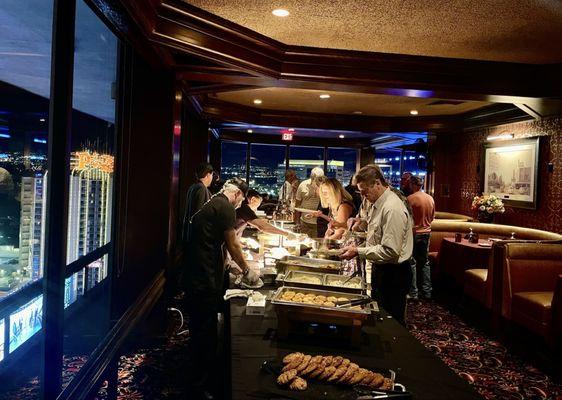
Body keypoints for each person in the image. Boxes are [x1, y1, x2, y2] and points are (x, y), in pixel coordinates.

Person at [182, 178, 259, 399]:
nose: (239, 204)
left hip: (196, 273)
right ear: (237, 195)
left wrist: (229, 266)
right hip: (202, 277)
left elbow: (218, 240)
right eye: (241, 199)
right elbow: (232, 242)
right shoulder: (225, 206)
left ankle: (198, 378)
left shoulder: (215, 201)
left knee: (200, 329)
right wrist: (246, 271)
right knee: (204, 332)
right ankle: (200, 386)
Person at [340, 164, 413, 326]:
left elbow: (390, 251)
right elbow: (374, 232)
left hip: (393, 273)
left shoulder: (392, 208)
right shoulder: (378, 204)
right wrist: (360, 223)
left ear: (378, 183)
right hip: (382, 269)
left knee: (392, 322)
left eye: (365, 191)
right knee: (379, 317)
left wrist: (357, 251)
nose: (364, 196)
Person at [407, 175, 435, 300]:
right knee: (425, 263)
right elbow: (432, 217)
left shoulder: (410, 199)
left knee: (412, 262)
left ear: (413, 184)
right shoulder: (430, 199)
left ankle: (413, 293)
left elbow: (406, 219)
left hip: (414, 233)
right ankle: (427, 291)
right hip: (427, 233)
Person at [182, 163, 213, 242]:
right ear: (208, 175)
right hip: (197, 236)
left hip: (189, 232)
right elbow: (199, 213)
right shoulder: (202, 188)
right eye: (212, 175)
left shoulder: (193, 186)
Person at [294, 167, 324, 237]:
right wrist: (297, 222)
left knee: (316, 244)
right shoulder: (303, 185)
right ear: (311, 176)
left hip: (319, 223)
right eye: (314, 177)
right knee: (304, 244)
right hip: (304, 222)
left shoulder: (324, 186)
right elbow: (297, 204)